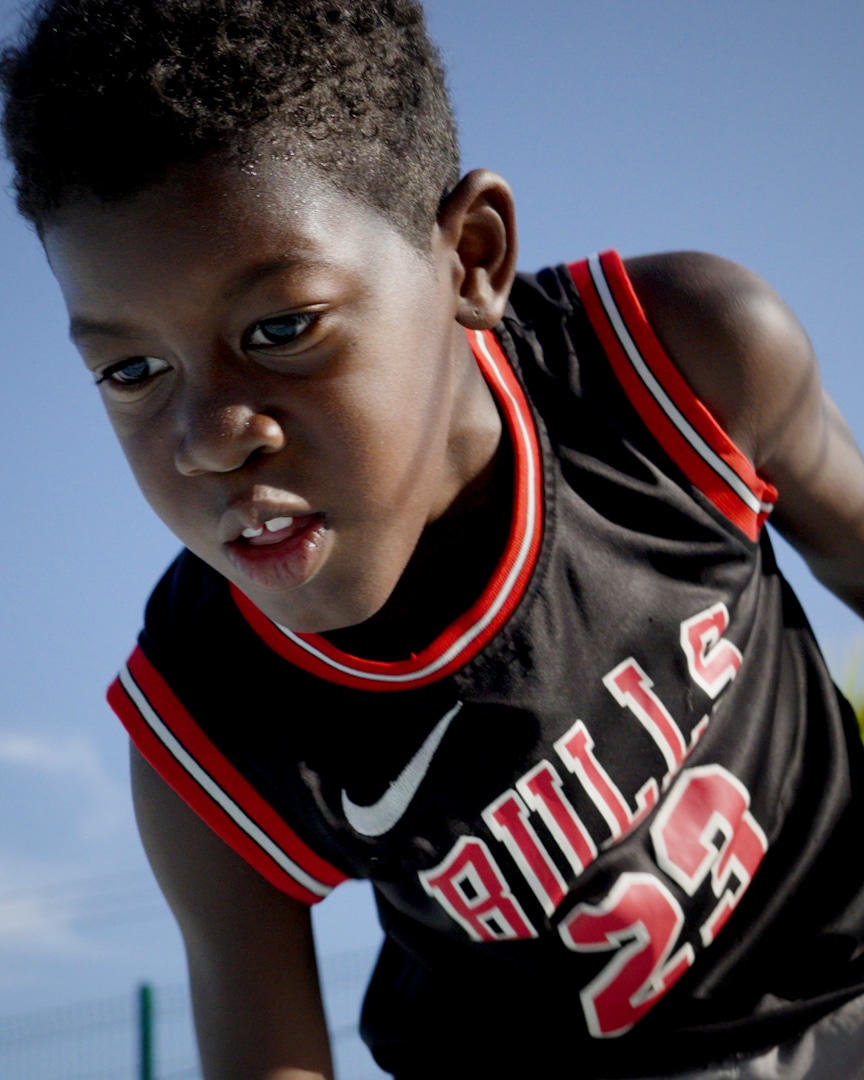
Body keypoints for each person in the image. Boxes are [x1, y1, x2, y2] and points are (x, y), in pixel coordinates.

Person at [3, 0, 864, 1076]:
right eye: (132, 372)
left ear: (472, 257)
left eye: (281, 330)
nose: (211, 440)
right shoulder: (205, 731)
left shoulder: (674, 368)